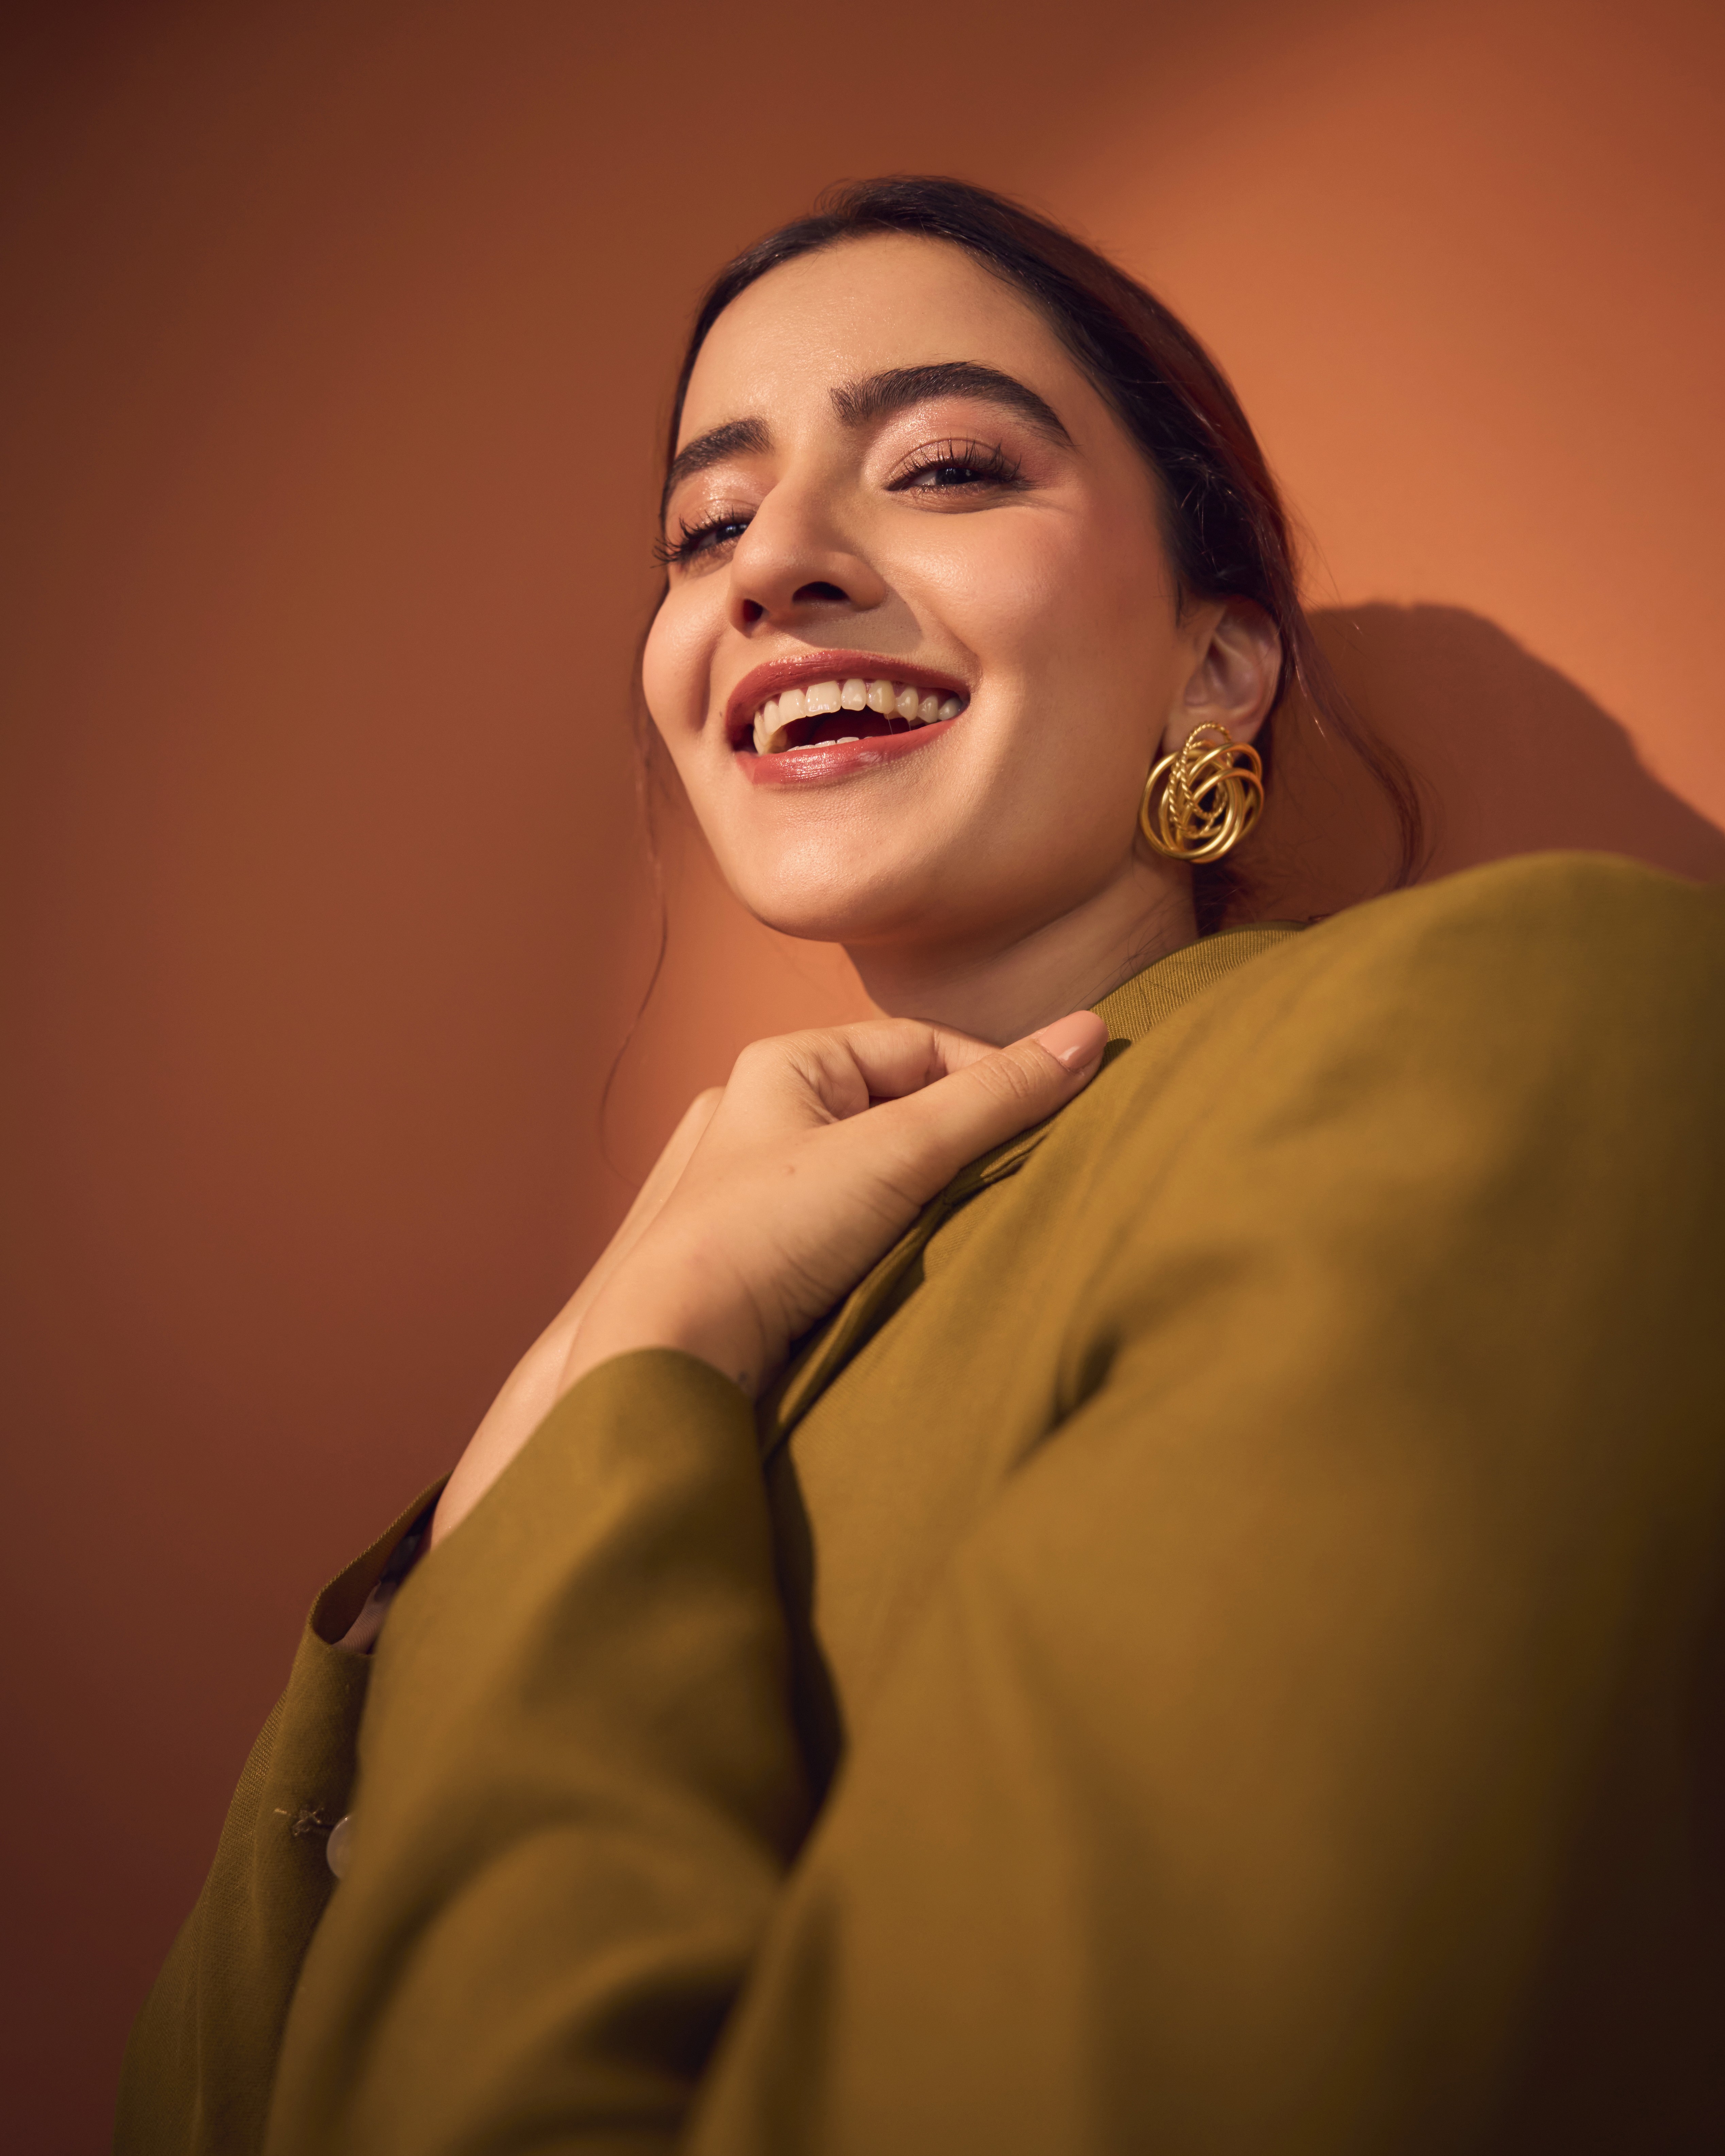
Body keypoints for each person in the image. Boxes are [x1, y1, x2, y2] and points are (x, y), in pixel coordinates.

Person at [117, 178, 1725, 2156]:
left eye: (948, 467)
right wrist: (561, 1431)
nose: (769, 565)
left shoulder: (1516, 1034)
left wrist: (640, 1382)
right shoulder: (636, 1335)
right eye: (702, 528)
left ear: (1223, 667)